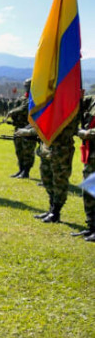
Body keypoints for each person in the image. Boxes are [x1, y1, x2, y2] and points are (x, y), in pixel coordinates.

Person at [4, 79, 35, 178]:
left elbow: (23, 108)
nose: (27, 87)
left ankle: (26, 171)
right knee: (19, 150)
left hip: (28, 129)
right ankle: (20, 169)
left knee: (28, 151)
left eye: (28, 85)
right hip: (18, 127)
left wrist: (12, 112)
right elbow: (16, 107)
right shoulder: (21, 98)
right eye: (26, 85)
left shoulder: (34, 99)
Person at [76, 95, 95, 240]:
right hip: (91, 156)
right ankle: (91, 226)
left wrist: (87, 133)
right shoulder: (93, 99)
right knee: (89, 191)